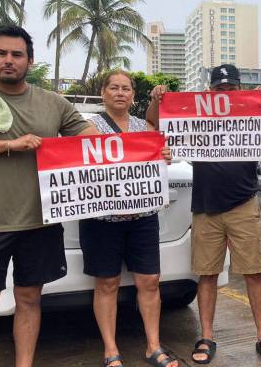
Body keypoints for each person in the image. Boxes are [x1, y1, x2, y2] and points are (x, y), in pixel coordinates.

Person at [0, 25, 99, 367]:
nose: (9, 61)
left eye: (17, 55)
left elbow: (90, 137)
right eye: (2, 54)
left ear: (30, 60)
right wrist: (8, 144)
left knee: (29, 300)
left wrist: (140, 152)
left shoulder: (53, 103)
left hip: (39, 222)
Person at [147, 64, 261, 364]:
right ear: (210, 90)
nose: (225, 92)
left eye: (230, 88)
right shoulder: (197, 114)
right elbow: (157, 128)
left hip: (244, 203)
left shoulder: (254, 111)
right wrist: (158, 100)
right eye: (219, 88)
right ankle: (206, 336)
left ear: (239, 89)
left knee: (254, 273)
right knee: (206, 275)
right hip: (205, 206)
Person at [79, 71, 176, 367]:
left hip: (142, 218)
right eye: (114, 88)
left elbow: (157, 155)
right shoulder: (88, 127)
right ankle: (110, 349)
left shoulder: (143, 127)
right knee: (106, 283)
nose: (120, 93)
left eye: (125, 88)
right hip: (102, 222)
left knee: (150, 280)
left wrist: (164, 156)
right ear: (103, 92)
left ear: (133, 94)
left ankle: (154, 346)